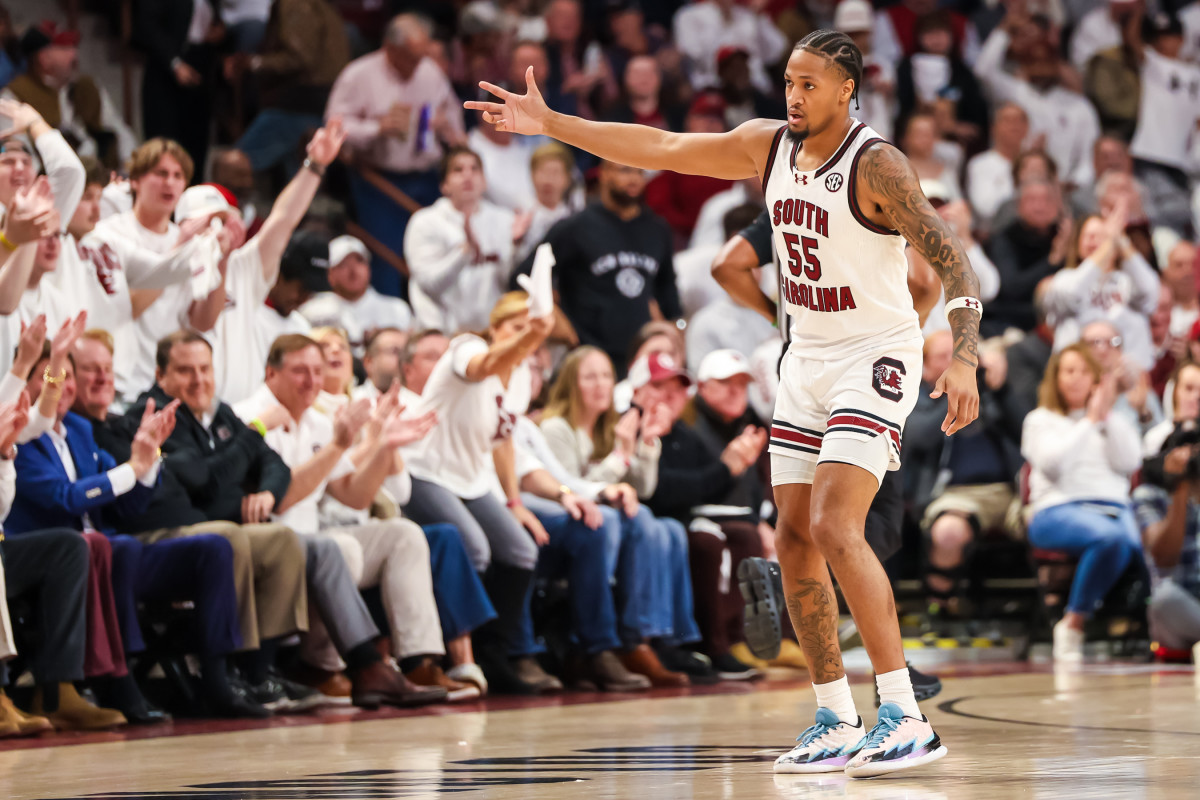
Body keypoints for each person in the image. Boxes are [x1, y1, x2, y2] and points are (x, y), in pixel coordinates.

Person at [468, 28, 981, 776]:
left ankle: (903, 712)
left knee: (839, 524)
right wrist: (553, 125)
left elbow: (949, 256)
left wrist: (963, 353)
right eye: (789, 82)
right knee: (795, 535)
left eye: (810, 84)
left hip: (873, 355)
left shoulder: (876, 163)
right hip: (804, 356)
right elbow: (662, 146)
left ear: (847, 90)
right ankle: (835, 714)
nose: (794, 96)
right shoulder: (766, 146)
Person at [148, 330, 445, 708]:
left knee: (403, 534)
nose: (312, 381)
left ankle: (419, 661)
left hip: (309, 535)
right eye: (300, 371)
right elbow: (281, 500)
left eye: (317, 372)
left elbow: (352, 494)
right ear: (271, 374)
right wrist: (337, 446)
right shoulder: (248, 416)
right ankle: (323, 666)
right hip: (273, 538)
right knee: (339, 548)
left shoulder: (314, 422)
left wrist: (385, 447)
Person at [73, 330, 317, 712]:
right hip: (135, 539)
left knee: (281, 539)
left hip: (180, 527)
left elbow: (261, 465)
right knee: (224, 539)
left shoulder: (126, 425)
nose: (103, 378)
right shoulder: (144, 415)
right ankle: (222, 675)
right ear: (161, 375)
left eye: (107, 368)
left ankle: (258, 670)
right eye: (89, 370)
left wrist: (259, 488)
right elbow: (198, 479)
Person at [400, 292, 560, 695]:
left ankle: (495, 652)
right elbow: (487, 364)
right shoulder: (466, 349)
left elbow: (502, 440)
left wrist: (515, 502)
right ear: (495, 330)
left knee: (522, 552)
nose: (523, 337)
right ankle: (452, 657)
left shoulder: (521, 376)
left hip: (471, 479)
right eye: (515, 328)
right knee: (475, 549)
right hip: (427, 471)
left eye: (530, 328)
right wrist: (529, 339)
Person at [540, 346, 710, 683]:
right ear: (570, 384)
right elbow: (569, 489)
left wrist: (647, 443)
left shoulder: (610, 427)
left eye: (606, 375)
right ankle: (635, 640)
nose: (600, 384)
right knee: (645, 521)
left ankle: (662, 638)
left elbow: (642, 487)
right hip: (573, 520)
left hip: (608, 519)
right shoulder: (556, 429)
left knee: (671, 530)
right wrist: (621, 455)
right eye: (589, 377)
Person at [326, 12, 465, 298]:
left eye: (422, 56)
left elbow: (452, 112)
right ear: (390, 47)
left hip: (427, 177)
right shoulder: (358, 75)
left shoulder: (429, 71)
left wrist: (447, 128)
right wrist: (376, 128)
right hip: (378, 180)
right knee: (386, 256)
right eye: (411, 57)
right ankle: (389, 318)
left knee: (439, 250)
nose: (417, 65)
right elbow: (334, 125)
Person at [1022, 343, 1144, 662]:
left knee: (1142, 544)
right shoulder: (1040, 420)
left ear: (1095, 379)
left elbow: (1131, 461)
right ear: (1056, 377)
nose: (1075, 379)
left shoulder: (1112, 420)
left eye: (1083, 372)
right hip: (1056, 509)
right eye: (1068, 371)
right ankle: (1073, 623)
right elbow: (1053, 464)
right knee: (1112, 537)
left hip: (1114, 507)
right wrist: (1089, 421)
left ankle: (1158, 630)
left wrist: (1107, 415)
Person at [512, 160, 681, 376]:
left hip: (641, 357)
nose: (634, 179)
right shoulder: (574, 227)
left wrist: (677, 327)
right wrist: (554, 317)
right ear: (604, 173)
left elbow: (668, 289)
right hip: (586, 355)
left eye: (640, 172)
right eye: (625, 170)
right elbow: (521, 278)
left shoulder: (658, 230)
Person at [403, 146, 518, 333]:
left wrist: (515, 248)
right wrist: (464, 253)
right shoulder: (425, 222)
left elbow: (509, 284)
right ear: (444, 185)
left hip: (492, 333)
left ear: (484, 182)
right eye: (458, 170)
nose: (468, 175)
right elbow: (429, 284)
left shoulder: (506, 221)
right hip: (441, 334)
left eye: (474, 169)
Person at [1046, 208, 1160, 372]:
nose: (1093, 240)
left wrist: (1122, 243)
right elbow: (1071, 294)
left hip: (1129, 379)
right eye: (1087, 235)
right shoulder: (1064, 279)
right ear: (1077, 245)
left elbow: (1151, 293)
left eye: (1101, 235)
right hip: (1078, 376)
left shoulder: (1128, 281)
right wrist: (1108, 246)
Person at [298, 235, 414, 357]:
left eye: (359, 261)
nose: (353, 270)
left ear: (369, 268)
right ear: (330, 274)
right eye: (343, 264)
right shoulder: (312, 310)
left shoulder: (397, 309)